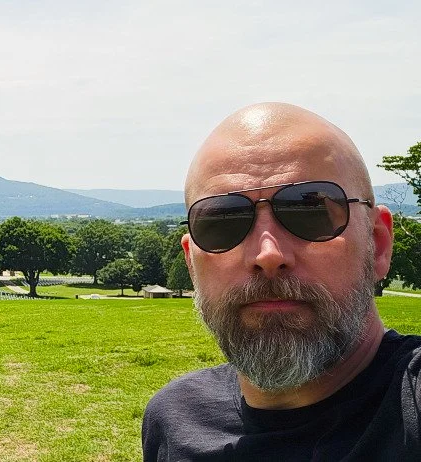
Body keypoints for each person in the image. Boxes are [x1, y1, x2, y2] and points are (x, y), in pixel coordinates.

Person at [142, 102, 421, 460]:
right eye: (223, 221)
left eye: (311, 211)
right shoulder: (174, 418)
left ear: (377, 245)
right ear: (192, 264)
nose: (268, 254)